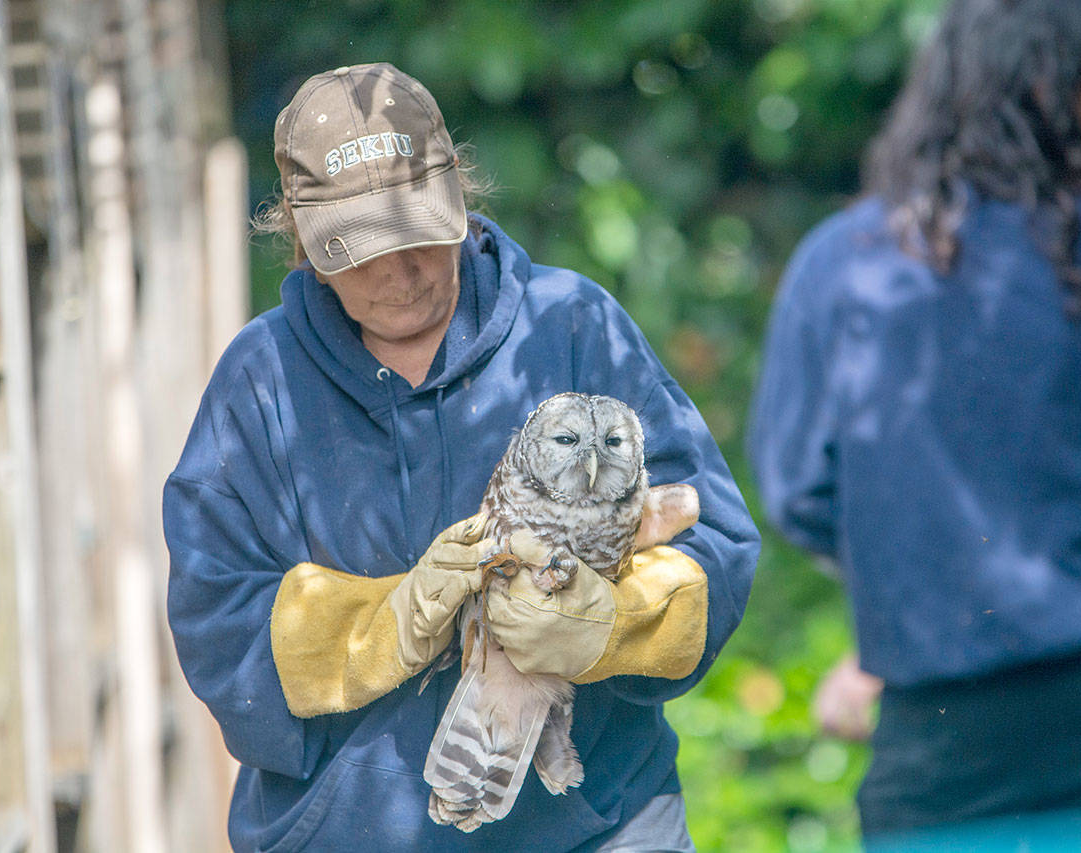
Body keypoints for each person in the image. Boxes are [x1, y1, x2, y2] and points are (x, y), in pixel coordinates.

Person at [163, 62, 758, 852]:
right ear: (302, 240)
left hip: (598, 822)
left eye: (419, 235)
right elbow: (216, 618)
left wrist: (612, 624)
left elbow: (712, 536)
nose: (399, 272)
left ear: (460, 197)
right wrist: (383, 627)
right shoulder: (260, 380)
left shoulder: (571, 324)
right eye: (360, 248)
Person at [749, 0, 1081, 847]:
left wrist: (920, 551)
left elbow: (799, 491)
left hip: (935, 726)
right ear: (1066, 93)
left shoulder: (840, 267)